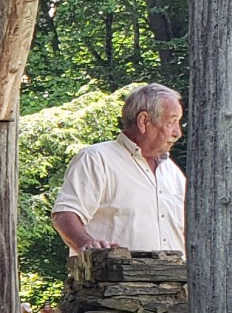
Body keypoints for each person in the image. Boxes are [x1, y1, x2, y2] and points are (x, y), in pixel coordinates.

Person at [51, 84, 187, 255]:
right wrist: (87, 245)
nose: (178, 132)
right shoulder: (97, 159)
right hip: (113, 280)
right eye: (171, 122)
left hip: (175, 280)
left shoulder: (172, 172)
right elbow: (65, 214)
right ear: (144, 121)